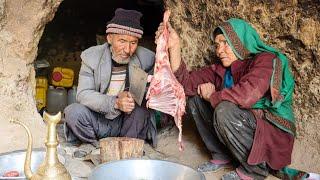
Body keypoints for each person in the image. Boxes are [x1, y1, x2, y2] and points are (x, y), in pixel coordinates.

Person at [156, 18, 306, 179]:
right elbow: (185, 86)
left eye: (225, 42)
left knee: (224, 109)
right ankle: (222, 155)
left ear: (240, 41)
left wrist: (212, 96)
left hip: (270, 134)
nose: (219, 50)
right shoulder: (220, 70)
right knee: (195, 99)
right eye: (217, 44)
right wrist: (174, 47)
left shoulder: (266, 60)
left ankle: (254, 170)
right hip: (241, 126)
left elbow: (247, 94)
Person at [64, 8, 157, 148]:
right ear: (109, 38)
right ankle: (96, 146)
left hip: (126, 121)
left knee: (141, 111)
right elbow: (83, 94)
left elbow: (154, 93)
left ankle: (127, 147)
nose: (128, 49)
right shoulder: (91, 57)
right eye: (122, 41)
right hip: (98, 119)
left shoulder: (147, 58)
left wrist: (133, 97)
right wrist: (115, 102)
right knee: (73, 112)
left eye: (133, 43)